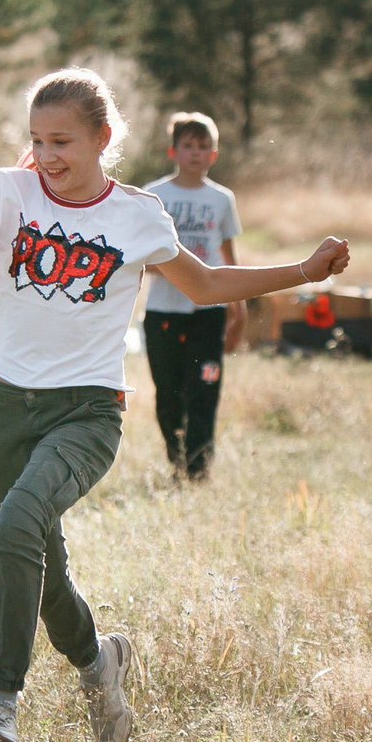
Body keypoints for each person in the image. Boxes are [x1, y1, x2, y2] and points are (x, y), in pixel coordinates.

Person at [0, 67, 350, 742]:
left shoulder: (138, 214)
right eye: (37, 140)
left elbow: (206, 283)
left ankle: (1, 705)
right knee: (42, 571)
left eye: (62, 141)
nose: (47, 155)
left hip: (86, 412)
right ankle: (99, 663)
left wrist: (303, 270)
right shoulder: (10, 191)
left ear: (101, 137)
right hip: (5, 409)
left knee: (17, 523)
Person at [141, 111, 245, 479]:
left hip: (208, 313)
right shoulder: (154, 195)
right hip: (164, 312)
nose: (196, 153)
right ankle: (177, 460)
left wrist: (238, 309)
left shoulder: (221, 199)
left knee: (204, 387)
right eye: (188, 145)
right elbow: (141, 257)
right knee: (168, 392)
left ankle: (199, 469)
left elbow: (228, 256)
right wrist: (179, 271)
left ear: (214, 154)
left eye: (204, 146)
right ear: (173, 151)